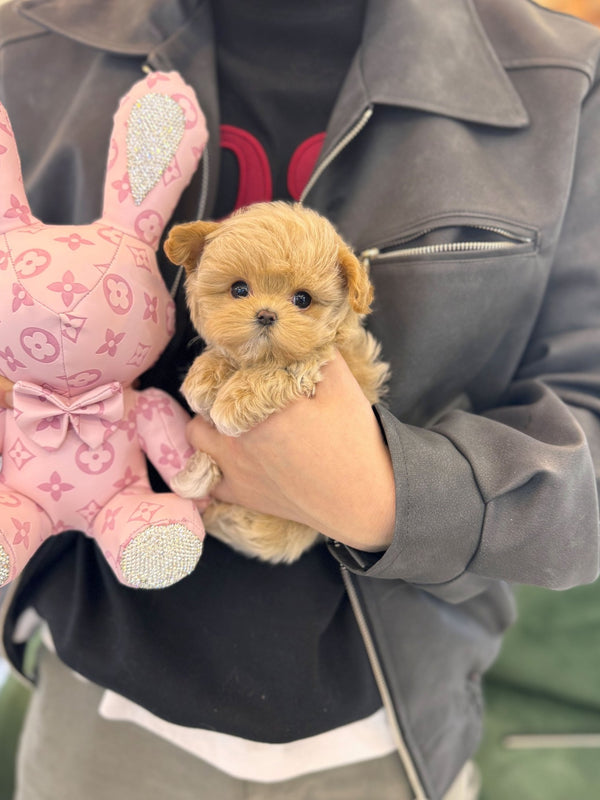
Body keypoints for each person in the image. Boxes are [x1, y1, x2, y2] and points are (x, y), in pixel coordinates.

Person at [0, 1, 599, 798]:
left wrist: (391, 497)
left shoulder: (567, 79)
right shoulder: (32, 42)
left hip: (387, 733)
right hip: (99, 706)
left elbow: (584, 461)